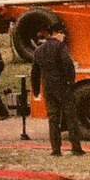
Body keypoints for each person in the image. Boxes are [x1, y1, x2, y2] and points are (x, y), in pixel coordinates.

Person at [31, 23, 85, 156]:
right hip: (62, 87)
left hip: (48, 88)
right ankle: (76, 147)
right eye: (62, 33)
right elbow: (68, 64)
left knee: (53, 118)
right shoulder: (60, 46)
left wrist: (37, 89)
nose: (64, 36)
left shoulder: (38, 50)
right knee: (70, 116)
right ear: (56, 33)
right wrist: (70, 81)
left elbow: (35, 72)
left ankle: (56, 150)